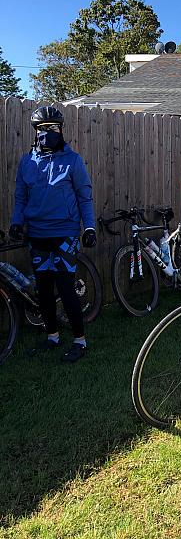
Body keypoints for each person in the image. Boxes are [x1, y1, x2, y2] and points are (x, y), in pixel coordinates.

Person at [9, 106, 97, 363]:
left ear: (61, 131)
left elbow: (84, 196)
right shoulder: (27, 162)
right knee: (44, 289)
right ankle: (52, 336)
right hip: (37, 234)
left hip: (64, 234)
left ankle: (80, 340)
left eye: (53, 128)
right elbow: (20, 196)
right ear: (35, 132)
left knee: (66, 287)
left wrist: (89, 227)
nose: (47, 133)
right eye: (42, 129)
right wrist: (16, 222)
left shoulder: (73, 161)